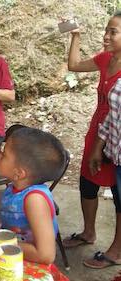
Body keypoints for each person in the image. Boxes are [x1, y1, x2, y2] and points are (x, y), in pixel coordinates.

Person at [62, 12, 121, 254]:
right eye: (106, 30)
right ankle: (88, 232)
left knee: (119, 194)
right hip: (98, 129)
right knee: (87, 181)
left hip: (117, 136)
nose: (105, 36)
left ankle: (116, 250)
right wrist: (76, 36)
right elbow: (74, 65)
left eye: (113, 32)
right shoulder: (106, 59)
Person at [0, 127, 66, 264]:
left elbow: (45, 255)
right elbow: (10, 221)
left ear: (19, 173)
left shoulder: (35, 200)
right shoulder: (14, 188)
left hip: (29, 266)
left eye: (4, 154)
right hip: (10, 259)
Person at [86, 79, 121, 268]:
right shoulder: (120, 84)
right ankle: (117, 251)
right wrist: (98, 146)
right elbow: (112, 117)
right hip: (118, 157)